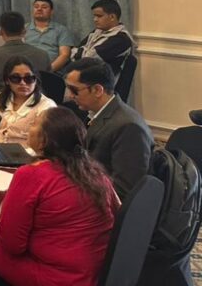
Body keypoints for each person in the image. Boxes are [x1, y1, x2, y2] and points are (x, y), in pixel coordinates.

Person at [0, 107, 119, 286]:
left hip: (59, 278)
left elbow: (13, 245)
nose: (30, 127)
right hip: (96, 270)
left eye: (34, 124)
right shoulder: (95, 172)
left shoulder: (31, 175)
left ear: (43, 141)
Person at [65, 59, 153, 200]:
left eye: (74, 90)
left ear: (98, 90)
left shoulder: (128, 127)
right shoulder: (97, 114)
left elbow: (125, 189)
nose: (70, 95)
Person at [0, 11, 50, 101]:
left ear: (1, 31)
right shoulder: (43, 55)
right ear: (24, 31)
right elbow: (49, 89)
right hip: (38, 106)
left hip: (4, 107)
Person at [0, 56, 56, 146]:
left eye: (28, 78)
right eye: (16, 78)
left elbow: (45, 144)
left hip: (27, 156)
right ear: (7, 80)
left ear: (36, 80)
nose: (23, 83)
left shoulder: (47, 106)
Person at [71, 0, 135, 76]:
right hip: (86, 76)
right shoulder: (97, 31)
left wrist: (83, 52)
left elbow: (88, 60)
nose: (95, 19)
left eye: (99, 16)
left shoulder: (121, 39)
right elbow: (74, 50)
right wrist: (84, 53)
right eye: (94, 16)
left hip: (102, 83)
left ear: (112, 17)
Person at [24, 0, 77, 72]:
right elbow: (18, 50)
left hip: (52, 71)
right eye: (36, 7)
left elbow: (65, 55)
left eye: (44, 7)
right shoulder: (23, 29)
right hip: (25, 71)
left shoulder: (61, 30)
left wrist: (48, 71)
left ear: (51, 11)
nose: (39, 9)